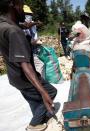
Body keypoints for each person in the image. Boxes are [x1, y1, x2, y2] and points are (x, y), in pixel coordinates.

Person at [0, 0, 57, 130]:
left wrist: (31, 25)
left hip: (14, 77)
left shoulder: (3, 25)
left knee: (33, 100)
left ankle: (39, 118)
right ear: (12, 4)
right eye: (21, 5)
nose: (23, 11)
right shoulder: (14, 31)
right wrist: (43, 92)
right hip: (24, 77)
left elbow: (22, 26)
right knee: (51, 92)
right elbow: (25, 65)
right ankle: (34, 124)